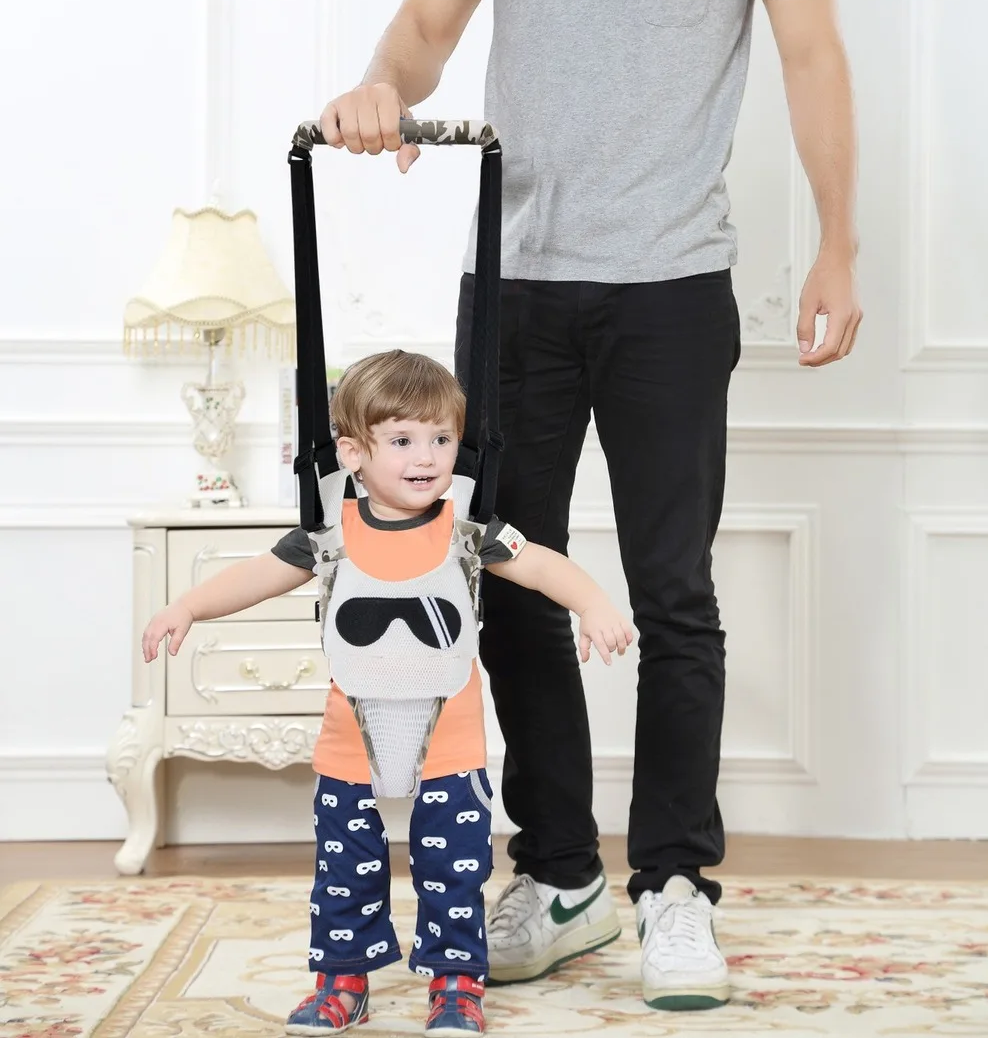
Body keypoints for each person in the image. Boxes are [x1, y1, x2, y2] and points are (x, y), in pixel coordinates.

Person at [318, 0, 861, 1013]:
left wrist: (838, 242)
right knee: (508, 579)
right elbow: (426, 31)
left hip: (676, 282)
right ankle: (558, 875)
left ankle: (676, 886)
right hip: (517, 285)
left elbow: (812, 57)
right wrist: (376, 86)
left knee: (675, 594)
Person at [142, 350, 632, 1035]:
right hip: (351, 742)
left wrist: (593, 603)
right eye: (402, 440)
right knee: (343, 869)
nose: (426, 456)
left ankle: (457, 983)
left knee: (453, 872)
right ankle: (343, 980)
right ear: (352, 452)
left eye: (441, 438)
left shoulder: (469, 532)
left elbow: (543, 564)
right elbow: (256, 574)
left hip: (449, 743)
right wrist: (188, 606)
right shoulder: (329, 535)